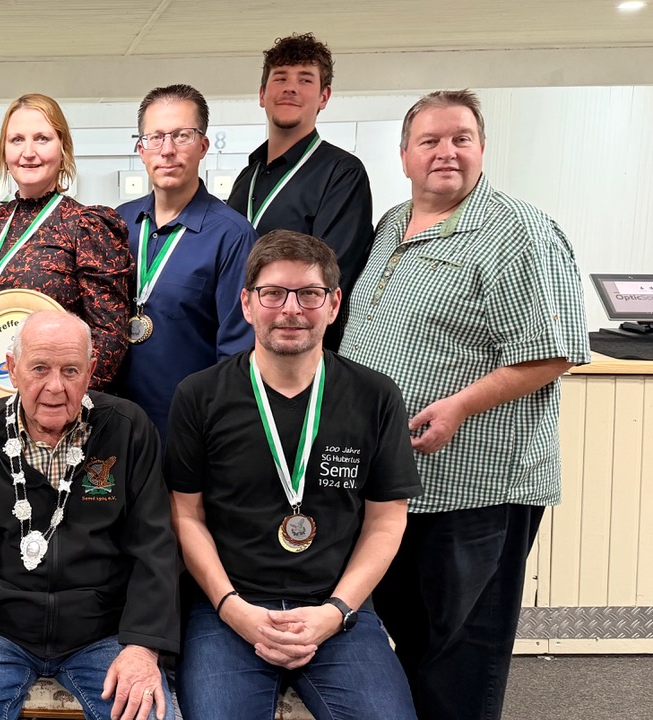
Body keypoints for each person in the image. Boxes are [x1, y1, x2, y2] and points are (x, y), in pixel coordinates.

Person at [340, 90, 590, 720]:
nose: (446, 152)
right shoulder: (392, 224)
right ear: (404, 155)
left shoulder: (518, 232)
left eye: (461, 139)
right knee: (414, 641)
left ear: (482, 149)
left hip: (475, 488)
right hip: (399, 485)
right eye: (429, 141)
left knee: (461, 658)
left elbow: (555, 350)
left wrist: (459, 406)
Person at [165, 230, 421, 719]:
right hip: (227, 610)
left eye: (309, 294)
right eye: (273, 293)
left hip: (337, 610)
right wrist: (232, 607)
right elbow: (186, 515)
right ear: (247, 303)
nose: (290, 309)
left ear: (334, 304)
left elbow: (386, 521)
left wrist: (336, 611)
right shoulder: (199, 396)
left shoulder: (374, 396)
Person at [0, 310, 179, 720]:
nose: (55, 387)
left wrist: (142, 647)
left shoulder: (129, 429)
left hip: (104, 634)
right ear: (12, 369)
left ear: (91, 372)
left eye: (71, 370)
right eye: (39, 368)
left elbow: (154, 548)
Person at [0, 93, 132, 411]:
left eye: (42, 138)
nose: (28, 152)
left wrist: (51, 400)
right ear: (4, 151)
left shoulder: (86, 225)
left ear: (63, 148)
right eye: (17, 140)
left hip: (57, 409)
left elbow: (109, 334)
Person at [116, 83, 257, 438]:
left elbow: (237, 354)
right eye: (155, 137)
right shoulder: (117, 223)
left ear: (203, 146)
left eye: (182, 136)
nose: (167, 150)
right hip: (115, 425)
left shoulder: (232, 235)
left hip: (188, 429)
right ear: (141, 149)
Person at [226, 33, 373, 350]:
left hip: (297, 350)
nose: (290, 88)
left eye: (305, 80)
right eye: (280, 78)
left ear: (324, 97)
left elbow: (329, 277)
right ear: (262, 94)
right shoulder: (246, 178)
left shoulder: (342, 174)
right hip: (235, 346)